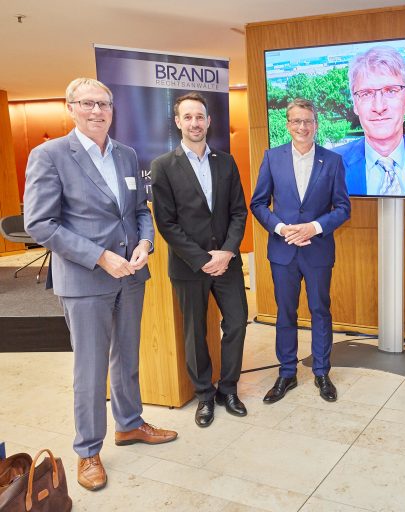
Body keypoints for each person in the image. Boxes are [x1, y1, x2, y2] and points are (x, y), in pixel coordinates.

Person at [23, 78, 177, 492]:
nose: (97, 110)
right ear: (70, 107)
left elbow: (139, 210)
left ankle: (129, 424)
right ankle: (88, 450)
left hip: (131, 275)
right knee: (90, 370)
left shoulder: (126, 154)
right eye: (88, 103)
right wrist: (99, 256)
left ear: (113, 109)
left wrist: (146, 242)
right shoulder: (50, 155)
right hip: (86, 279)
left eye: (104, 103)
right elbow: (39, 223)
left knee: (126, 357)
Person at [150, 92, 249, 428]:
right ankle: (205, 395)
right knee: (194, 333)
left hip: (228, 262)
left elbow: (238, 211)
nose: (195, 123)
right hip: (189, 266)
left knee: (236, 322)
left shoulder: (226, 161)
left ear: (209, 121)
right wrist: (202, 258)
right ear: (178, 122)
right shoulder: (163, 166)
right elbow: (166, 223)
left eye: (200, 117)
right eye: (187, 117)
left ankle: (229, 389)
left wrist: (228, 251)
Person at [251, 98, 351, 403]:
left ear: (316, 125)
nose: (302, 127)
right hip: (283, 252)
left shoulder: (332, 161)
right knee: (286, 312)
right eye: (296, 121)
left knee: (320, 310)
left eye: (307, 121)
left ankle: (321, 372)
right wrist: (282, 229)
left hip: (317, 250)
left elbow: (343, 208)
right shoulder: (272, 158)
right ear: (288, 124)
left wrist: (314, 227)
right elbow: (258, 203)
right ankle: (286, 373)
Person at [334, 45, 405, 196]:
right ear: (355, 105)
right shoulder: (328, 168)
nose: (379, 106)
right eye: (366, 94)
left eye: (390, 91)